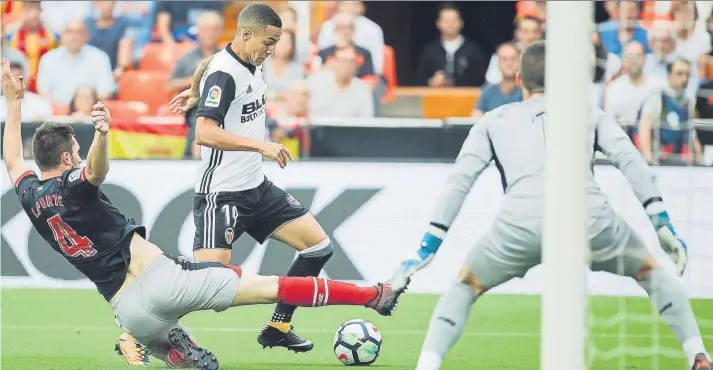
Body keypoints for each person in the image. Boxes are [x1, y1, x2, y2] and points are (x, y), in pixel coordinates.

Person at [1, 57, 407, 370]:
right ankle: (372, 296)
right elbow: (96, 171)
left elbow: (12, 160)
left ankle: (168, 346)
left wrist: (13, 104)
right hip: (163, 282)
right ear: (69, 154)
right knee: (272, 287)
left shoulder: (32, 195)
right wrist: (103, 135)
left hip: (125, 309)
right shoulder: (72, 186)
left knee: (171, 335)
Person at [388, 42, 712, 370]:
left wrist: (429, 245)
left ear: (519, 78)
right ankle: (698, 355)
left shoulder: (492, 120)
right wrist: (661, 223)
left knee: (465, 284)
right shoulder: (587, 112)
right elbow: (630, 158)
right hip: (590, 221)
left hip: (518, 226)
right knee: (649, 271)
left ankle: (426, 365)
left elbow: (460, 180)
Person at [167, 3, 350, 354]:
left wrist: (194, 91)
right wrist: (260, 146)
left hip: (256, 187)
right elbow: (204, 133)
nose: (272, 50)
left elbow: (206, 64)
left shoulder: (250, 61)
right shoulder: (226, 73)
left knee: (318, 247)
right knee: (208, 284)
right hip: (221, 194)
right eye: (269, 41)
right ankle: (143, 320)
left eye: (276, 42)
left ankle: (278, 327)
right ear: (246, 33)